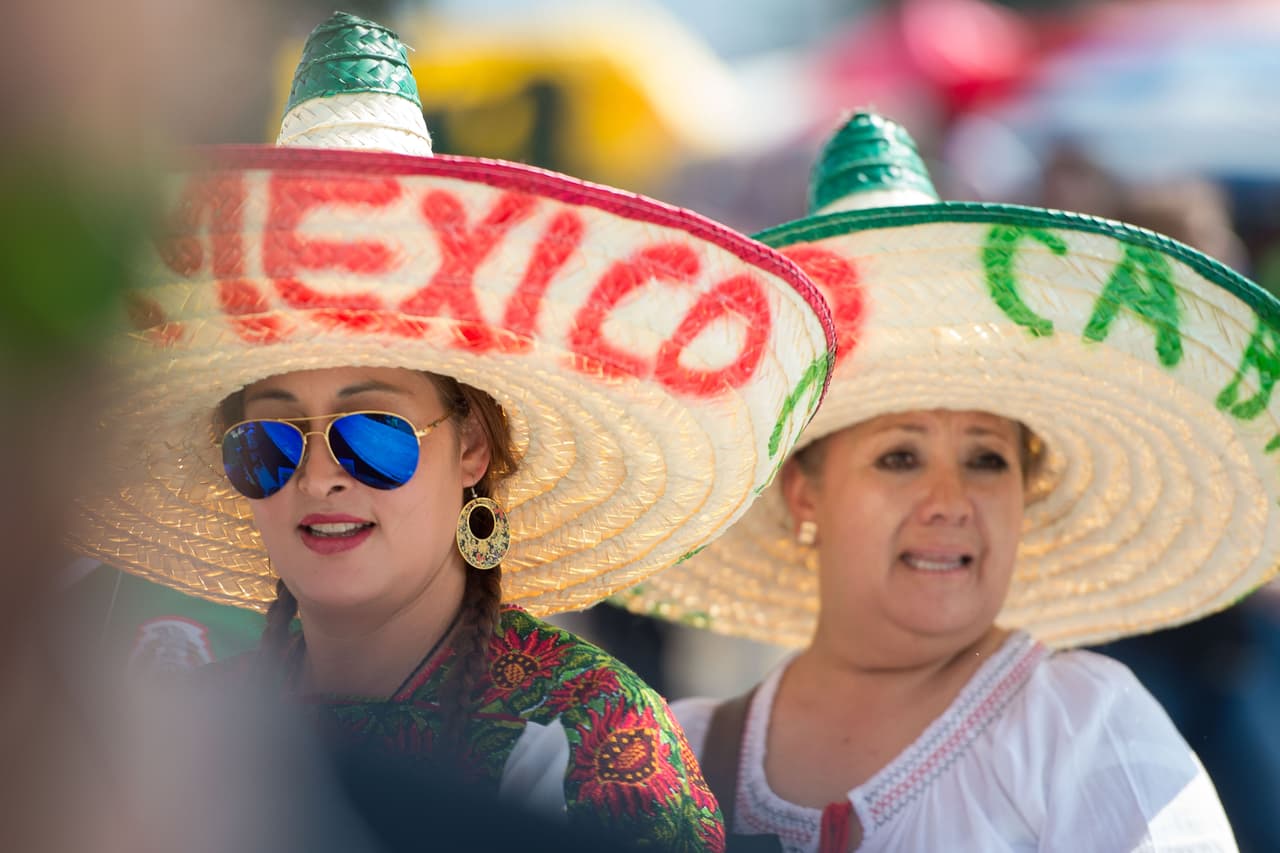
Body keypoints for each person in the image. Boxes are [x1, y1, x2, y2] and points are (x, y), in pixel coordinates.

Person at [65, 12, 837, 852]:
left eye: (374, 434)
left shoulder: (596, 733)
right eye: (271, 445)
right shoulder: (176, 737)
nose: (319, 476)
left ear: (472, 445)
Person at [618, 111, 1271, 851]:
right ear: (804, 492)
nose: (951, 501)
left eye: (987, 458)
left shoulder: (1084, 728)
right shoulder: (671, 760)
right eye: (900, 456)